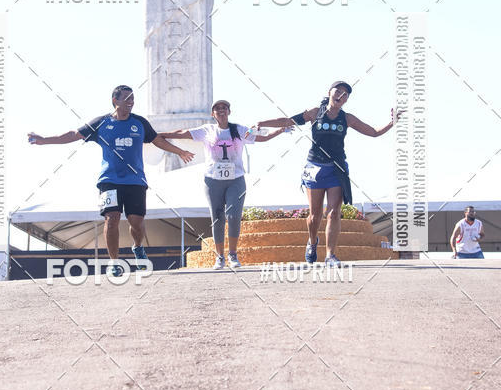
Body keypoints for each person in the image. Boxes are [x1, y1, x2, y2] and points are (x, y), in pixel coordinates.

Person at [28, 85, 194, 276]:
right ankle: (114, 262)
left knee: (136, 223)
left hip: (136, 181)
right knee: (111, 219)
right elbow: (73, 135)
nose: (131, 101)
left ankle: (138, 247)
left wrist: (180, 151)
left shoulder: (140, 122)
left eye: (133, 98)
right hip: (109, 180)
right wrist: (43, 140)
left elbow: (157, 140)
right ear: (115, 100)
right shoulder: (101, 122)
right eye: (127, 98)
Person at [257, 82, 400, 267]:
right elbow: (288, 121)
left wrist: (391, 123)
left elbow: (373, 133)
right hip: (315, 167)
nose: (341, 95)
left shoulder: (347, 118)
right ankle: (312, 240)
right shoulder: (316, 112)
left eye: (346, 94)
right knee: (315, 216)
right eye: (338, 91)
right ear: (329, 93)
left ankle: (330, 255)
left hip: (336, 168)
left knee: (333, 213)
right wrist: (263, 123)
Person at [160, 100, 286, 269]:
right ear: (213, 114)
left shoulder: (239, 129)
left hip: (236, 180)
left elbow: (261, 137)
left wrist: (280, 130)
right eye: (217, 108)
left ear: (229, 112)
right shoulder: (207, 130)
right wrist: (160, 135)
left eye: (224, 108)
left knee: (233, 216)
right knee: (217, 218)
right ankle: (220, 256)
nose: (221, 111)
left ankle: (233, 254)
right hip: (213, 180)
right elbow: (183, 133)